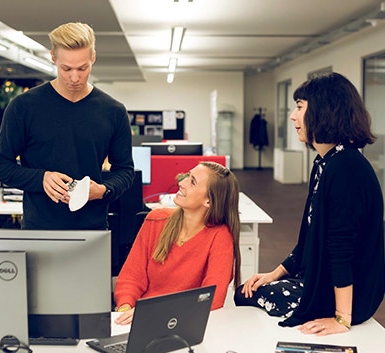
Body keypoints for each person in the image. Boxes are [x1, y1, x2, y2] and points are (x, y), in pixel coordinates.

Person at [234, 72, 385, 335]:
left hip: (351, 296)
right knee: (251, 289)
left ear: (324, 111)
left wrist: (342, 319)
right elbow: (309, 241)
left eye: (300, 107)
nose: (293, 116)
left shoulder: (345, 168)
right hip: (328, 281)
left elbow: (341, 247)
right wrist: (274, 274)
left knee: (245, 296)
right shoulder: (326, 162)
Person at [0, 22, 134, 230]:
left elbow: (125, 170)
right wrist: (41, 178)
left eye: (83, 68)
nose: (75, 77)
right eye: (66, 68)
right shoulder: (24, 106)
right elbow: (0, 166)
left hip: (92, 230)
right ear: (53, 58)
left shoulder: (113, 110)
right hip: (38, 229)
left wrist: (103, 190)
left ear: (93, 58)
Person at [114, 161, 241, 325]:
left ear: (209, 201)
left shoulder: (220, 236)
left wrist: (154, 313)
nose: (181, 182)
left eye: (192, 182)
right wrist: (125, 311)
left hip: (183, 324)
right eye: (188, 175)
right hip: (140, 321)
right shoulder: (156, 219)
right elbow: (131, 279)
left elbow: (211, 300)